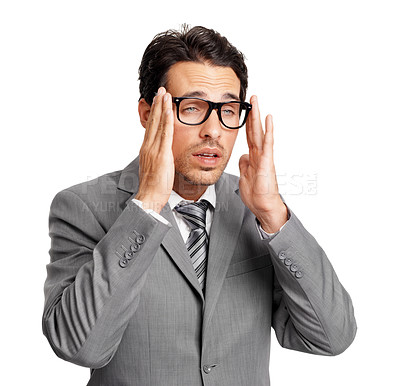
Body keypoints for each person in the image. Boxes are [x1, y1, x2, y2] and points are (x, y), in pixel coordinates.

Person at [42, 25, 356, 386]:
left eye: (228, 109)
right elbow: (80, 346)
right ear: (147, 114)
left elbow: (332, 337)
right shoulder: (82, 207)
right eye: (191, 108)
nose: (213, 130)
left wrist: (273, 215)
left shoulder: (253, 209)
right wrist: (146, 206)